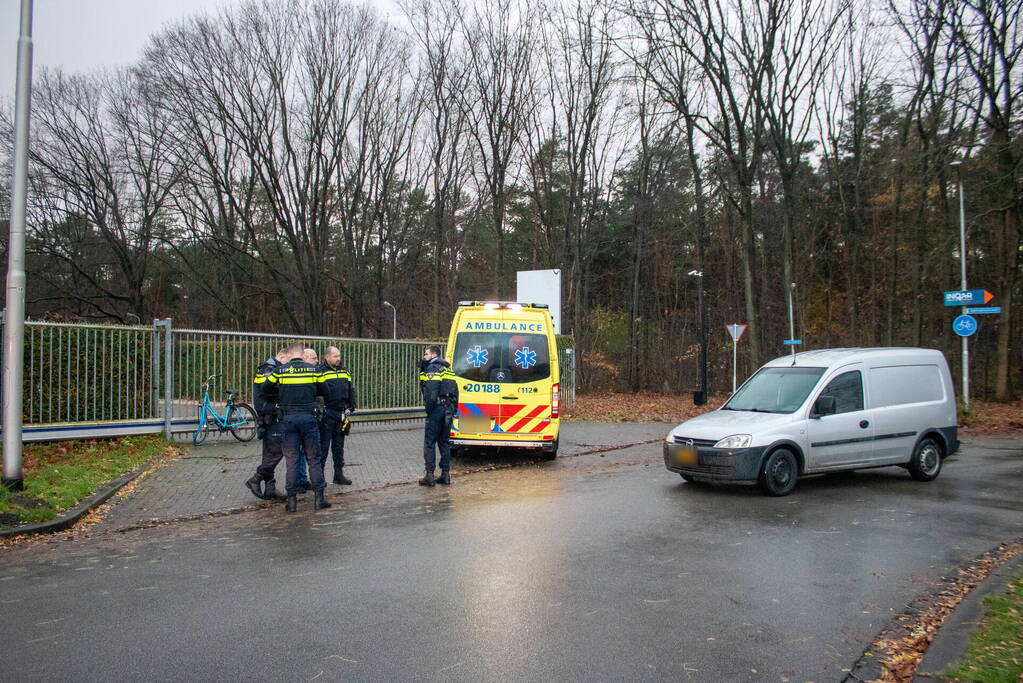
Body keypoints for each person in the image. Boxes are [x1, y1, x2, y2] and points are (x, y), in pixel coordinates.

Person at [264, 342, 331, 512]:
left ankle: (291, 502)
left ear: (290, 354)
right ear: (302, 354)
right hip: (308, 418)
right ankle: (319, 499)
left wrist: (281, 394)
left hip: (288, 419)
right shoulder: (314, 371)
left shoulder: (280, 371)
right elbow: (326, 391)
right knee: (313, 459)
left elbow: (264, 389)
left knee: (291, 460)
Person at [244, 347, 290, 501]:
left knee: (270, 452)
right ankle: (255, 479)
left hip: (271, 416)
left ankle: (270, 488)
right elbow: (265, 394)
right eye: (288, 361)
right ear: (282, 357)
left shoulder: (272, 367)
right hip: (270, 416)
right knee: (277, 451)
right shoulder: (269, 369)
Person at [418, 345, 458, 486]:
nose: (424, 357)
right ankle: (445, 475)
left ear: (433, 355)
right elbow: (455, 392)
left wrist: (429, 409)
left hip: (436, 410)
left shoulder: (433, 368)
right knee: (444, 443)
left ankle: (430, 476)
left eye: (426, 354)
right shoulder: (448, 370)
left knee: (429, 442)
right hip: (448, 410)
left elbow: (431, 392)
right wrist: (453, 409)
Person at [317, 346, 357, 485]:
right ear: (327, 357)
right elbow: (317, 393)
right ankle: (319, 477)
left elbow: (351, 389)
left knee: (338, 447)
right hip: (328, 414)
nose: (338, 358)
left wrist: (351, 407)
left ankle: (338, 475)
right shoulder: (320, 371)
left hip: (341, 414)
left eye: (339, 355)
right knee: (323, 447)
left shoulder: (344, 370)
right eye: (335, 356)